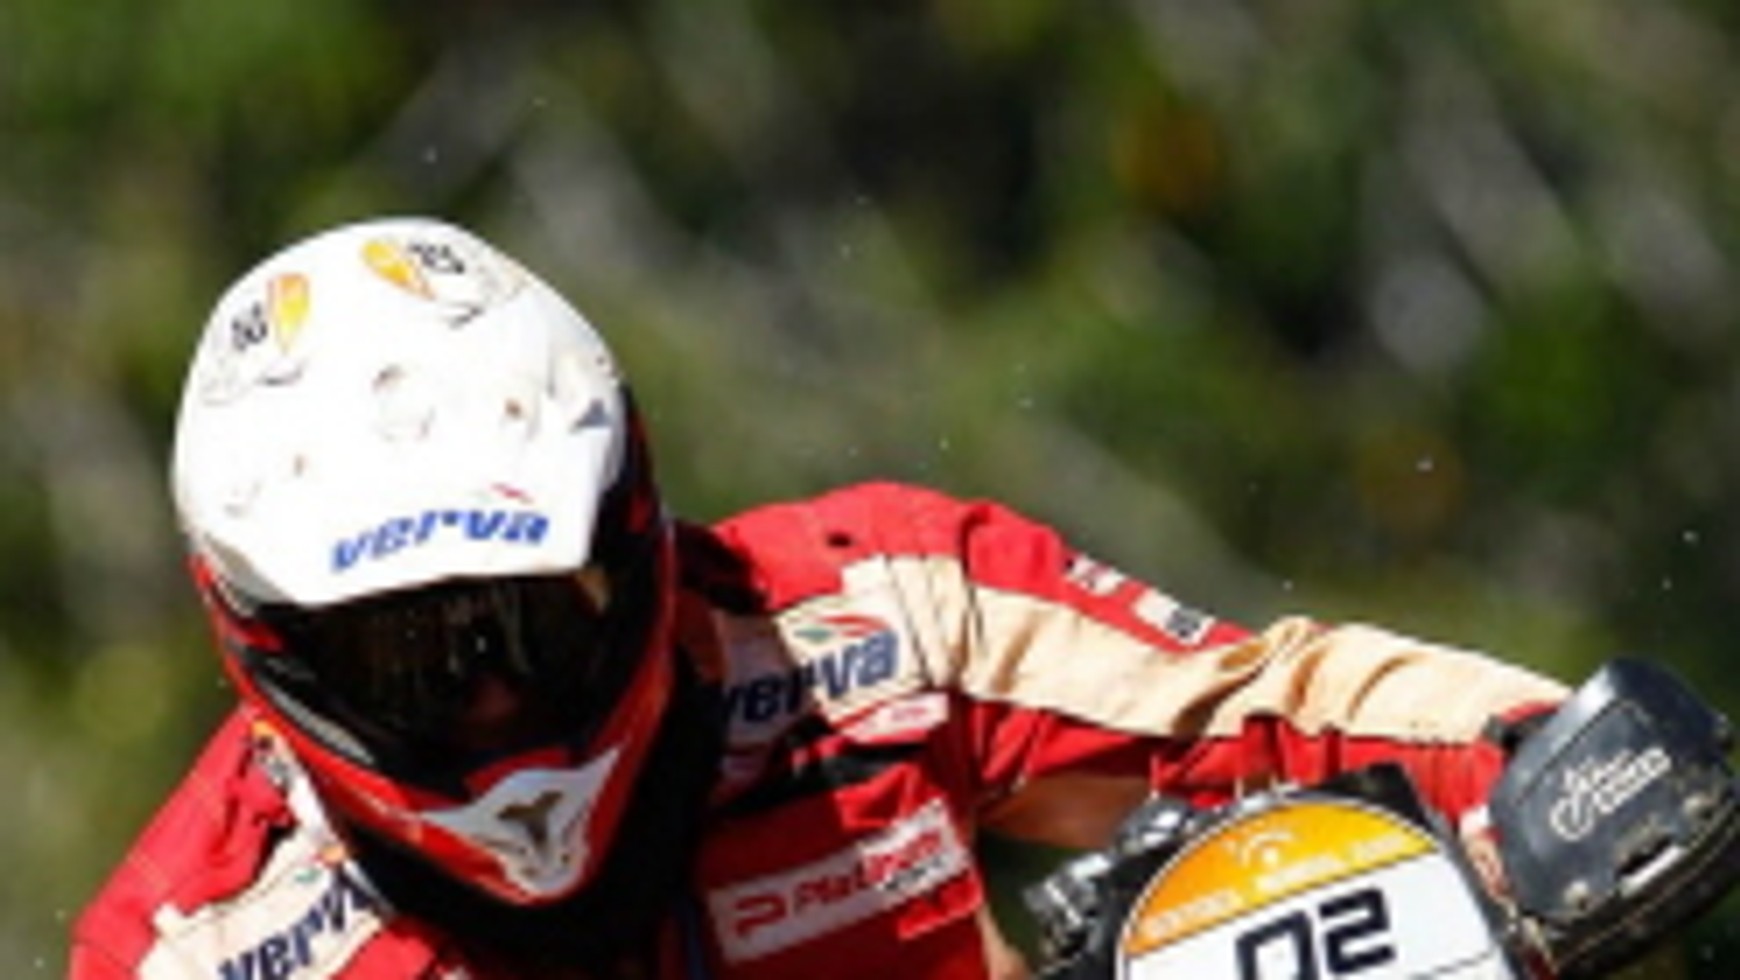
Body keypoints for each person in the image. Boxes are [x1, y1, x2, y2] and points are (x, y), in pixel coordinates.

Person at [70, 217, 1569, 979]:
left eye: (536, 620)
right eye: (412, 660)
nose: (498, 700)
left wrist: (1555, 768)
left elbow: (1270, 708)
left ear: (634, 533)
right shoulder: (196, 949)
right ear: (267, 655)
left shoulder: (882, 613)